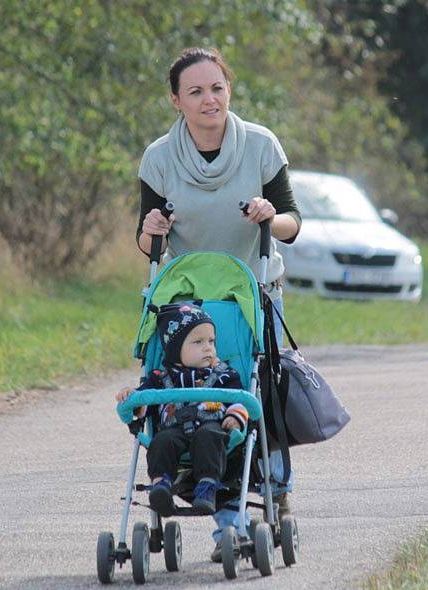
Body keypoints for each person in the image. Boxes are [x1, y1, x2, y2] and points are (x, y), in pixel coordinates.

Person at [134, 47, 301, 561]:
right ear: (176, 101)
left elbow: (293, 226)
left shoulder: (260, 146)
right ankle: (179, 472)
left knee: (259, 385)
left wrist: (271, 215)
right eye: (196, 91)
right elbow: (148, 245)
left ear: (229, 90)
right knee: (175, 393)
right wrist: (150, 228)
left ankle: (273, 485)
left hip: (251, 291)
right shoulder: (160, 158)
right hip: (185, 300)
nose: (210, 100)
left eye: (218, 88)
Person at [116, 302, 248, 516]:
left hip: (211, 425)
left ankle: (207, 487)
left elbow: (240, 399)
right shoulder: (161, 378)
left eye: (211, 341)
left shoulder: (223, 374)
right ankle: (161, 486)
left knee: (209, 436)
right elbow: (142, 405)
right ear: (175, 349)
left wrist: (236, 415)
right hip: (174, 430)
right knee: (161, 442)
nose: (208, 347)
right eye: (198, 342)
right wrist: (132, 397)